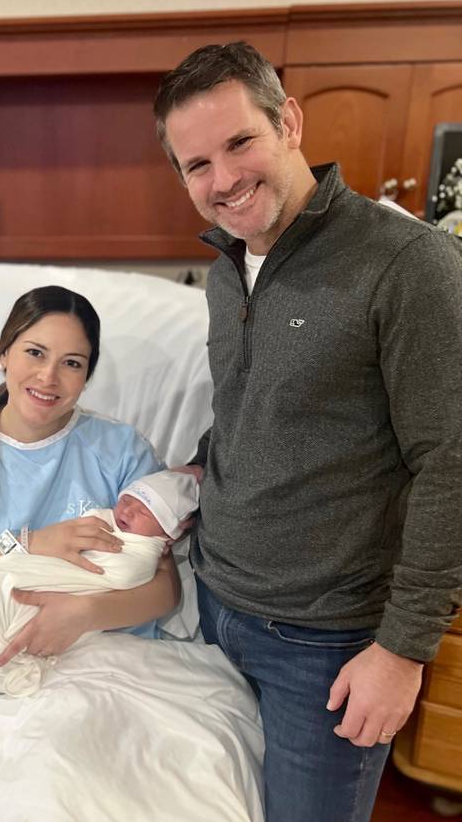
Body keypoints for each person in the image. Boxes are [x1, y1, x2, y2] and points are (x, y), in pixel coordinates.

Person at [152, 41, 462, 822]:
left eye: (239, 143)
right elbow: (253, 407)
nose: (222, 180)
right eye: (196, 165)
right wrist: (194, 472)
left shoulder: (408, 265)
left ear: (288, 122)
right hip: (212, 606)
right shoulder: (227, 267)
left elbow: (451, 462)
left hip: (325, 644)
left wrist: (402, 649)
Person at [0, 284, 180, 672]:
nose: (48, 377)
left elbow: (166, 589)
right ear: (4, 353)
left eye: (72, 363)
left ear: (87, 375)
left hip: (103, 658)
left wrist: (84, 613)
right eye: (35, 353)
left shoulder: (122, 450)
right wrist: (24, 546)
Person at [0, 469, 200, 696]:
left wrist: (83, 611)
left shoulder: (126, 455)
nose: (128, 511)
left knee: (6, 585)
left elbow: (153, 586)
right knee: (1, 581)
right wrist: (28, 542)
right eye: (127, 500)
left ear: (166, 537)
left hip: (98, 660)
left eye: (144, 511)